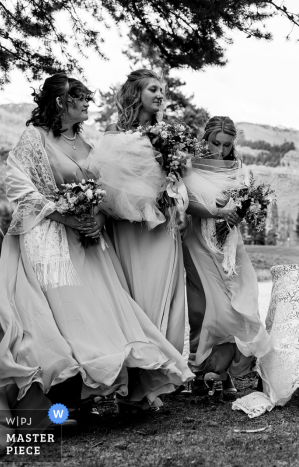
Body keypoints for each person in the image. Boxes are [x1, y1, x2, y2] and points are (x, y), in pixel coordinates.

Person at [0, 74, 193, 447]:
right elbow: (19, 186)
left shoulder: (84, 142)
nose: (88, 104)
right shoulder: (34, 138)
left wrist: (95, 218)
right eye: (81, 98)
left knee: (93, 319)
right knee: (60, 320)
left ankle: (78, 404)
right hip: (49, 241)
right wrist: (62, 213)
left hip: (88, 242)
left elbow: (102, 191)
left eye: (87, 98)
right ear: (60, 102)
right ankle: (54, 408)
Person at [96, 69, 186, 353]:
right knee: (132, 293)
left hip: (161, 225)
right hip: (126, 224)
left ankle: (162, 365)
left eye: (162, 90)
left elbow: (180, 177)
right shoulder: (114, 132)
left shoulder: (169, 133)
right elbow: (105, 180)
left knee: (161, 289)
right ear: (137, 94)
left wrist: (171, 191)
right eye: (153, 89)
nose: (160, 94)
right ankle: (136, 363)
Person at [181, 116, 271, 399]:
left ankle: (224, 372)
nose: (220, 150)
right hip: (197, 242)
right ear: (204, 139)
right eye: (215, 143)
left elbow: (244, 207)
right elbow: (187, 205)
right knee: (201, 308)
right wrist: (218, 212)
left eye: (227, 145)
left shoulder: (240, 170)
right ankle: (198, 371)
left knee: (237, 305)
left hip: (230, 245)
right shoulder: (190, 166)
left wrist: (244, 212)